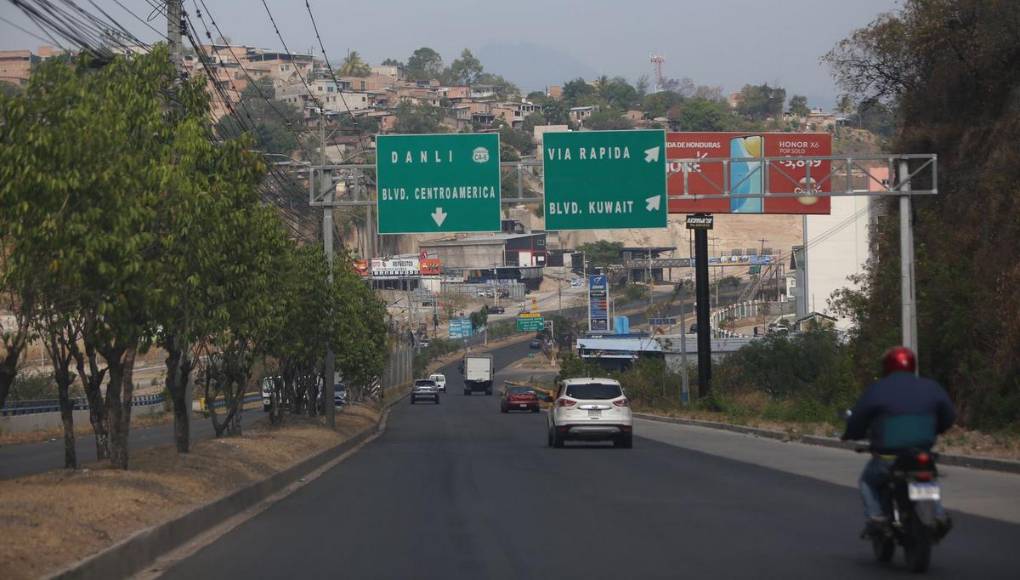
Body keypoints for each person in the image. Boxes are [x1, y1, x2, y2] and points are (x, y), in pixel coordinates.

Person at [841, 346, 956, 536]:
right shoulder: (930, 386)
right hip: (922, 453)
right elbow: (949, 415)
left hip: (888, 457)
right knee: (926, 480)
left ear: (887, 367)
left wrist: (849, 434)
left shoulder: (878, 389)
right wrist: (936, 429)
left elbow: (858, 419)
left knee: (867, 483)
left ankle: (876, 517)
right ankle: (938, 514)